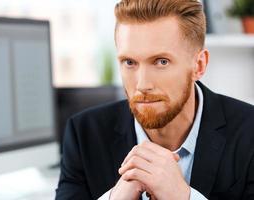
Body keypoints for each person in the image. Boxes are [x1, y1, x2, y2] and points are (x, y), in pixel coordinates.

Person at [55, 0, 254, 199]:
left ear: (199, 66)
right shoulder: (84, 133)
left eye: (161, 62)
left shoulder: (249, 132)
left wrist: (183, 196)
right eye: (129, 62)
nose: (142, 84)